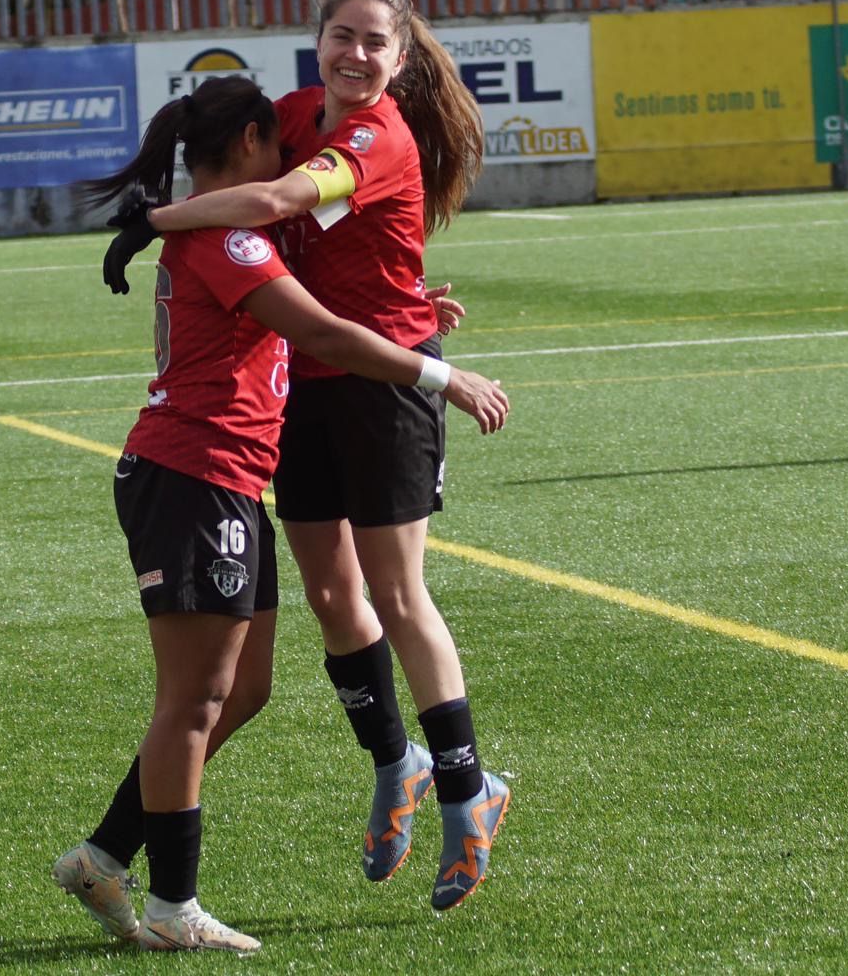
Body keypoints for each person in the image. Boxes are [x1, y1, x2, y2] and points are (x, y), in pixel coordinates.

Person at [52, 75, 508, 955]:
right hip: (193, 477)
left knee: (243, 691)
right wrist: (444, 375)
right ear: (255, 140)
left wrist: (409, 313)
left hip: (221, 482)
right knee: (193, 702)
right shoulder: (230, 239)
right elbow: (326, 337)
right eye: (279, 146)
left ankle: (106, 855)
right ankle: (173, 906)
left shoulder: (221, 230)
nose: (290, 157)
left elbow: (335, 303)